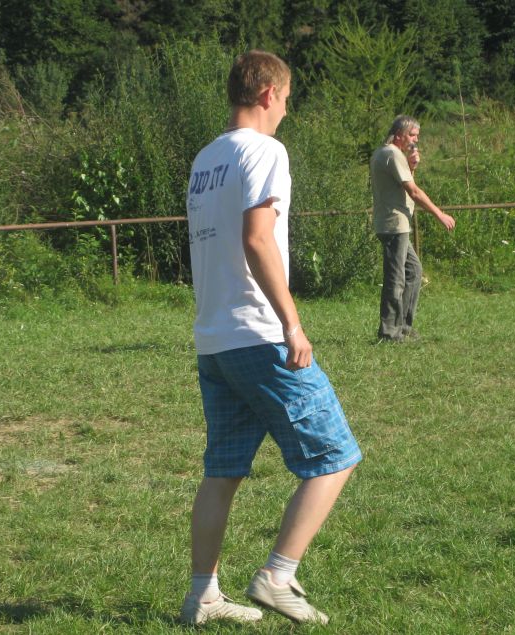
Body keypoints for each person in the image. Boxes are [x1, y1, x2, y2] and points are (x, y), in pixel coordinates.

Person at [179, 50, 361, 626]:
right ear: (266, 94)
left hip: (214, 339)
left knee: (223, 470)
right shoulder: (265, 151)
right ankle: (278, 575)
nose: (285, 110)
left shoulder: (206, 158)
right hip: (259, 334)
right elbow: (257, 239)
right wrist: (293, 323)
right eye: (285, 99)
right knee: (335, 456)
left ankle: (203, 596)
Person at [370, 115, 456, 342]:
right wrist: (440, 214)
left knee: (414, 271)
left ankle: (403, 328)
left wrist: (412, 165)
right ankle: (390, 333)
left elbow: (405, 184)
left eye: (417, 135)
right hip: (394, 225)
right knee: (396, 279)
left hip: (395, 224)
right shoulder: (392, 154)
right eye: (412, 135)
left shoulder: (387, 153)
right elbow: (413, 191)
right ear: (399, 135)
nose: (416, 139)